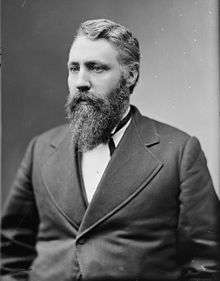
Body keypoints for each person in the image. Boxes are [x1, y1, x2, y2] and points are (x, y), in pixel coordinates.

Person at [1, 19, 219, 281]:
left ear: (131, 75)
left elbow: (207, 264)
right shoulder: (41, 149)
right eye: (74, 68)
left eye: (96, 68)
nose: (81, 81)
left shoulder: (179, 151)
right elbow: (9, 253)